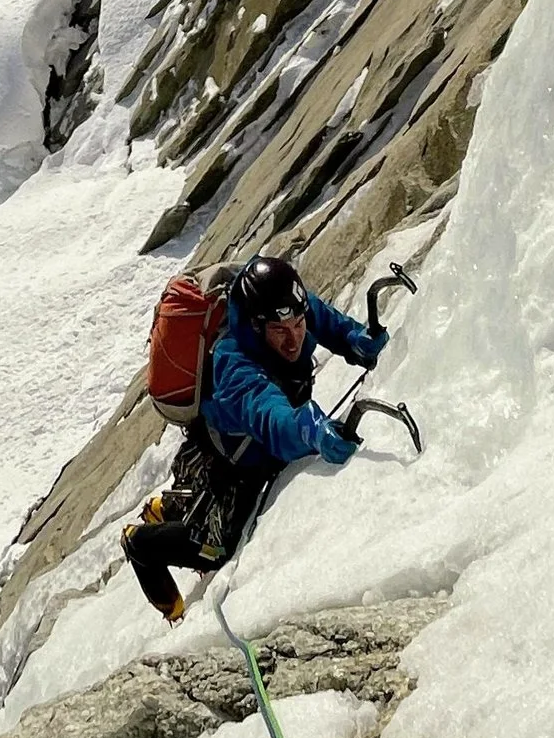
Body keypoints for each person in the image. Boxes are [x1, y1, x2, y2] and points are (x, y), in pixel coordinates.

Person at [121, 252, 388, 624]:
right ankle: (141, 544)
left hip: (247, 447)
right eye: (281, 331)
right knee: (216, 549)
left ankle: (168, 508)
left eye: (298, 325)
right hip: (231, 464)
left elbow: (322, 318)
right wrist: (308, 428)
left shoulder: (282, 309)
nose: (293, 338)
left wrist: (353, 338)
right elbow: (269, 417)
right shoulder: (233, 364)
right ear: (256, 326)